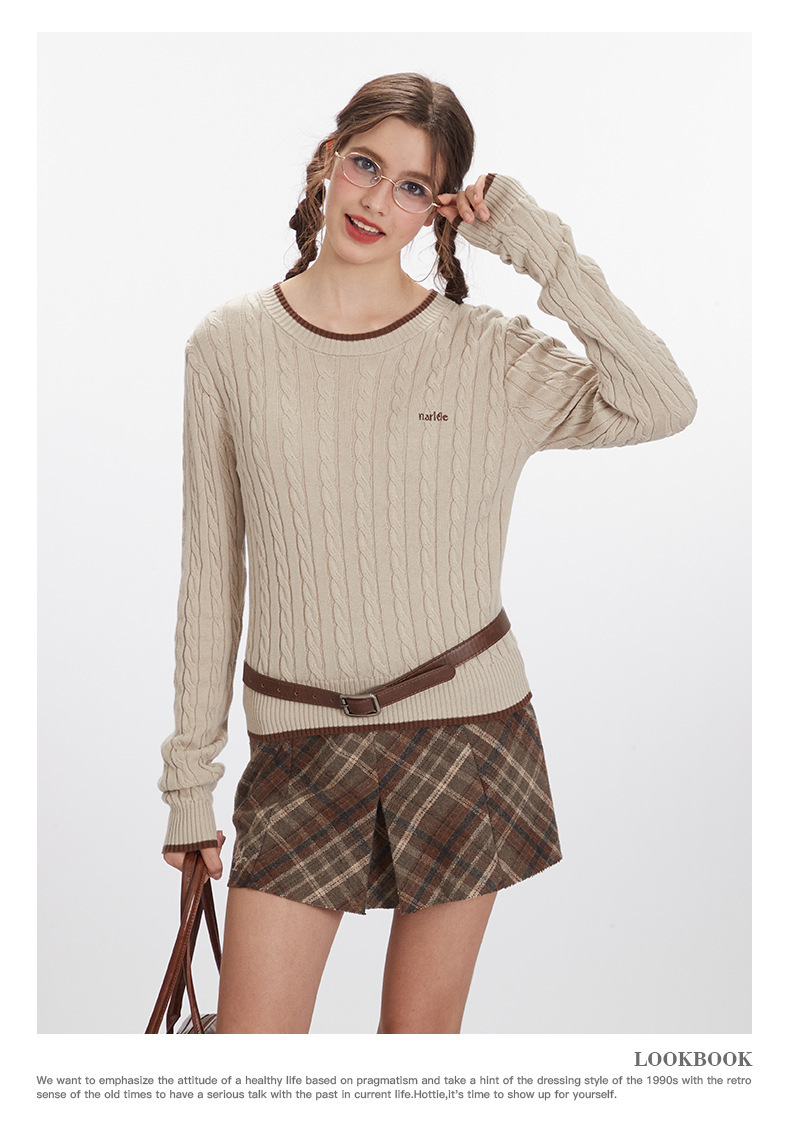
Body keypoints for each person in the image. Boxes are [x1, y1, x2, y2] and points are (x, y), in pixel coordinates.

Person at [158, 72, 697, 1034]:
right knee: (250, 1064)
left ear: (437, 209)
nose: (376, 200)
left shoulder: (488, 354)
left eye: (412, 186)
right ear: (327, 161)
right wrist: (189, 786)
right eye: (365, 165)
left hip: (466, 733)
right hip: (299, 746)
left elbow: (661, 401)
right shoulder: (228, 346)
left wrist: (536, 246)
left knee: (418, 1057)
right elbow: (211, 580)